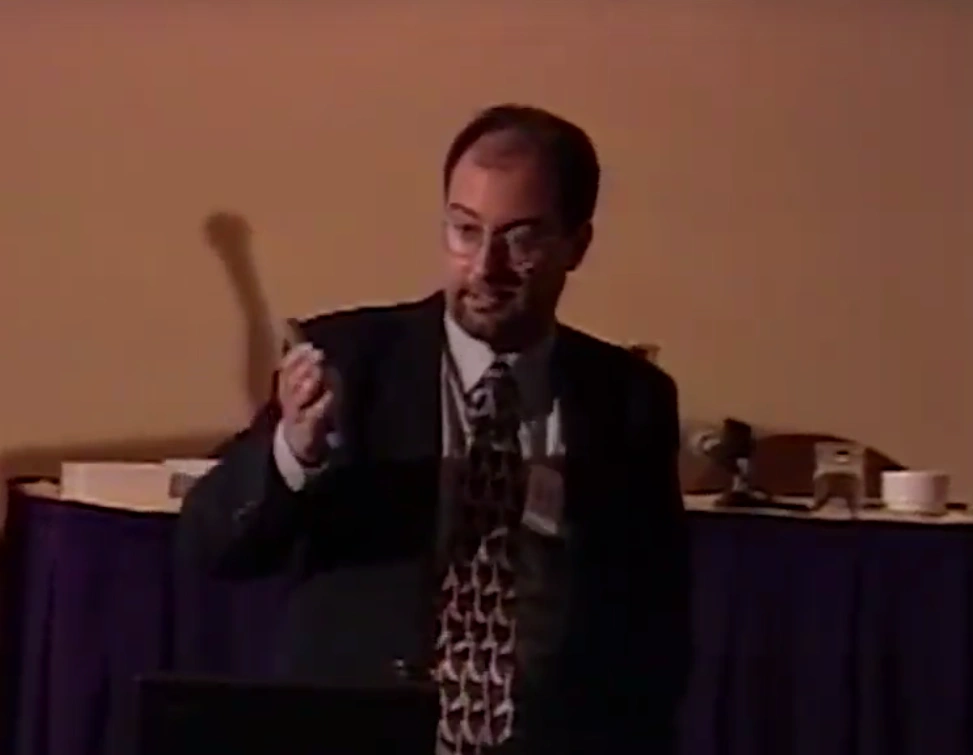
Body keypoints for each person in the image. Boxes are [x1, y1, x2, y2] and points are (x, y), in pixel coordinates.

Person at [177, 104, 690, 755]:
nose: (485, 267)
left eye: (521, 239)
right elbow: (210, 547)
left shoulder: (628, 399)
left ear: (575, 244)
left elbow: (656, 629)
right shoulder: (351, 363)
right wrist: (292, 452)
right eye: (464, 230)